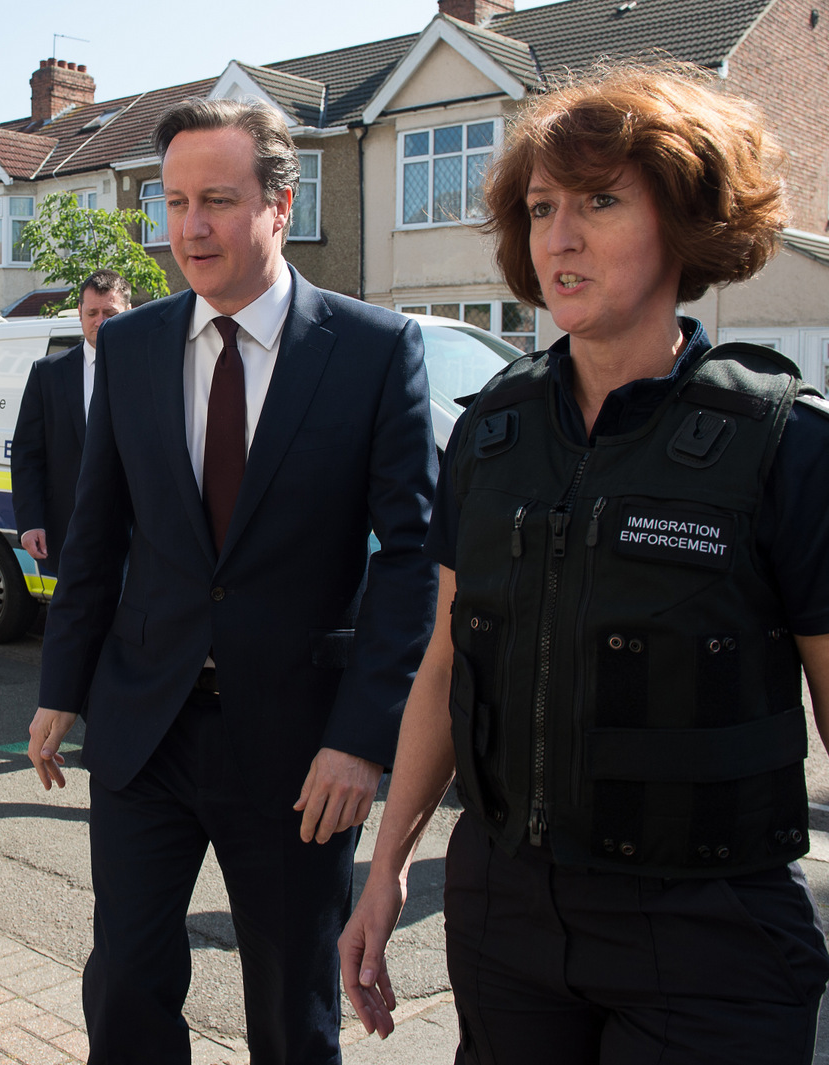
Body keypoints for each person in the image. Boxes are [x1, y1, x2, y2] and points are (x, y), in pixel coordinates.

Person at [340, 64, 829, 1064]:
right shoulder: (488, 435)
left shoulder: (785, 445)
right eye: (540, 207)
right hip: (503, 915)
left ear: (686, 219)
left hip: (710, 932)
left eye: (600, 202)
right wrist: (384, 869)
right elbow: (444, 661)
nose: (558, 238)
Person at [28, 99, 438, 1064]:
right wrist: (60, 687)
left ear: (280, 204)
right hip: (146, 730)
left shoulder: (375, 351)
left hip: (300, 754)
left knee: (290, 1017)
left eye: (217, 199)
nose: (190, 227)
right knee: (125, 989)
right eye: (173, 202)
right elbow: (94, 538)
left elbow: (414, 559)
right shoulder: (127, 347)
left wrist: (361, 740)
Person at [12, 270, 131, 573]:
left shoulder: (149, 373)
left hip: (136, 537)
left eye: (110, 312)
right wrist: (30, 523)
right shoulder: (47, 375)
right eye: (92, 312)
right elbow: (27, 455)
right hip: (68, 533)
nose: (100, 321)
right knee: (72, 618)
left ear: (128, 312)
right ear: (79, 313)